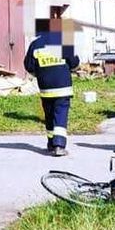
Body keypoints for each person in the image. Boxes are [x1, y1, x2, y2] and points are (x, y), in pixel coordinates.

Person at [24, 13, 80, 156]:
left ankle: (50, 143)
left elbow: (29, 66)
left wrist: (40, 73)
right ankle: (59, 145)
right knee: (60, 114)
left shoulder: (35, 45)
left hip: (45, 88)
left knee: (49, 115)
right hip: (62, 87)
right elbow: (74, 63)